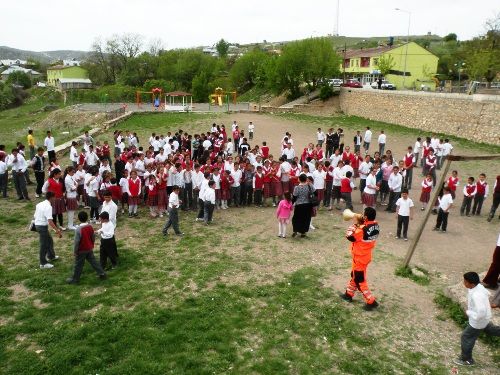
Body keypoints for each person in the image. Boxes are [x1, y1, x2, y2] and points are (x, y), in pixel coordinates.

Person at [453, 272, 500, 366]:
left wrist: (469, 313)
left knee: (466, 337)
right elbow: (487, 295)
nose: (464, 283)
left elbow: (481, 312)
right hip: (485, 319)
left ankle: (467, 359)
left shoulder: (476, 295)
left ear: (472, 284)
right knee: (490, 329)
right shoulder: (479, 287)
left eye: (465, 282)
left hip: (478, 321)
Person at [341, 207, 380, 310]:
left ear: (366, 217)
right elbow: (366, 228)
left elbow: (349, 236)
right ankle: (349, 294)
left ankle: (371, 301)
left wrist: (355, 225)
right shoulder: (376, 224)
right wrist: (361, 223)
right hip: (366, 256)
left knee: (359, 279)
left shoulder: (362, 229)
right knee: (354, 274)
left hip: (359, 257)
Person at [67, 211, 107, 284]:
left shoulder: (78, 229)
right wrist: (92, 244)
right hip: (89, 248)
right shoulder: (90, 227)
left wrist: (75, 251)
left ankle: (75, 279)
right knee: (94, 262)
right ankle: (102, 273)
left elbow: (76, 242)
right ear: (87, 218)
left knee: (78, 265)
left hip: (81, 250)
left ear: (79, 219)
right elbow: (93, 237)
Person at [34, 192, 62, 269]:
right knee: (44, 245)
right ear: (51, 198)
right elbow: (50, 221)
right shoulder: (48, 207)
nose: (55, 199)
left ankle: (51, 256)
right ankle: (43, 263)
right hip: (42, 227)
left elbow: (35, 215)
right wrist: (57, 230)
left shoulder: (39, 204)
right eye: (54, 197)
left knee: (49, 241)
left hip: (38, 225)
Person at [291, 174, 314, 238]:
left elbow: (294, 197)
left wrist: (291, 204)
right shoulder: (309, 186)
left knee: (296, 218)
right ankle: (303, 232)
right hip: (308, 205)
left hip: (299, 205)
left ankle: (295, 230)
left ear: (299, 179)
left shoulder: (297, 187)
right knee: (306, 219)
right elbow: (315, 193)